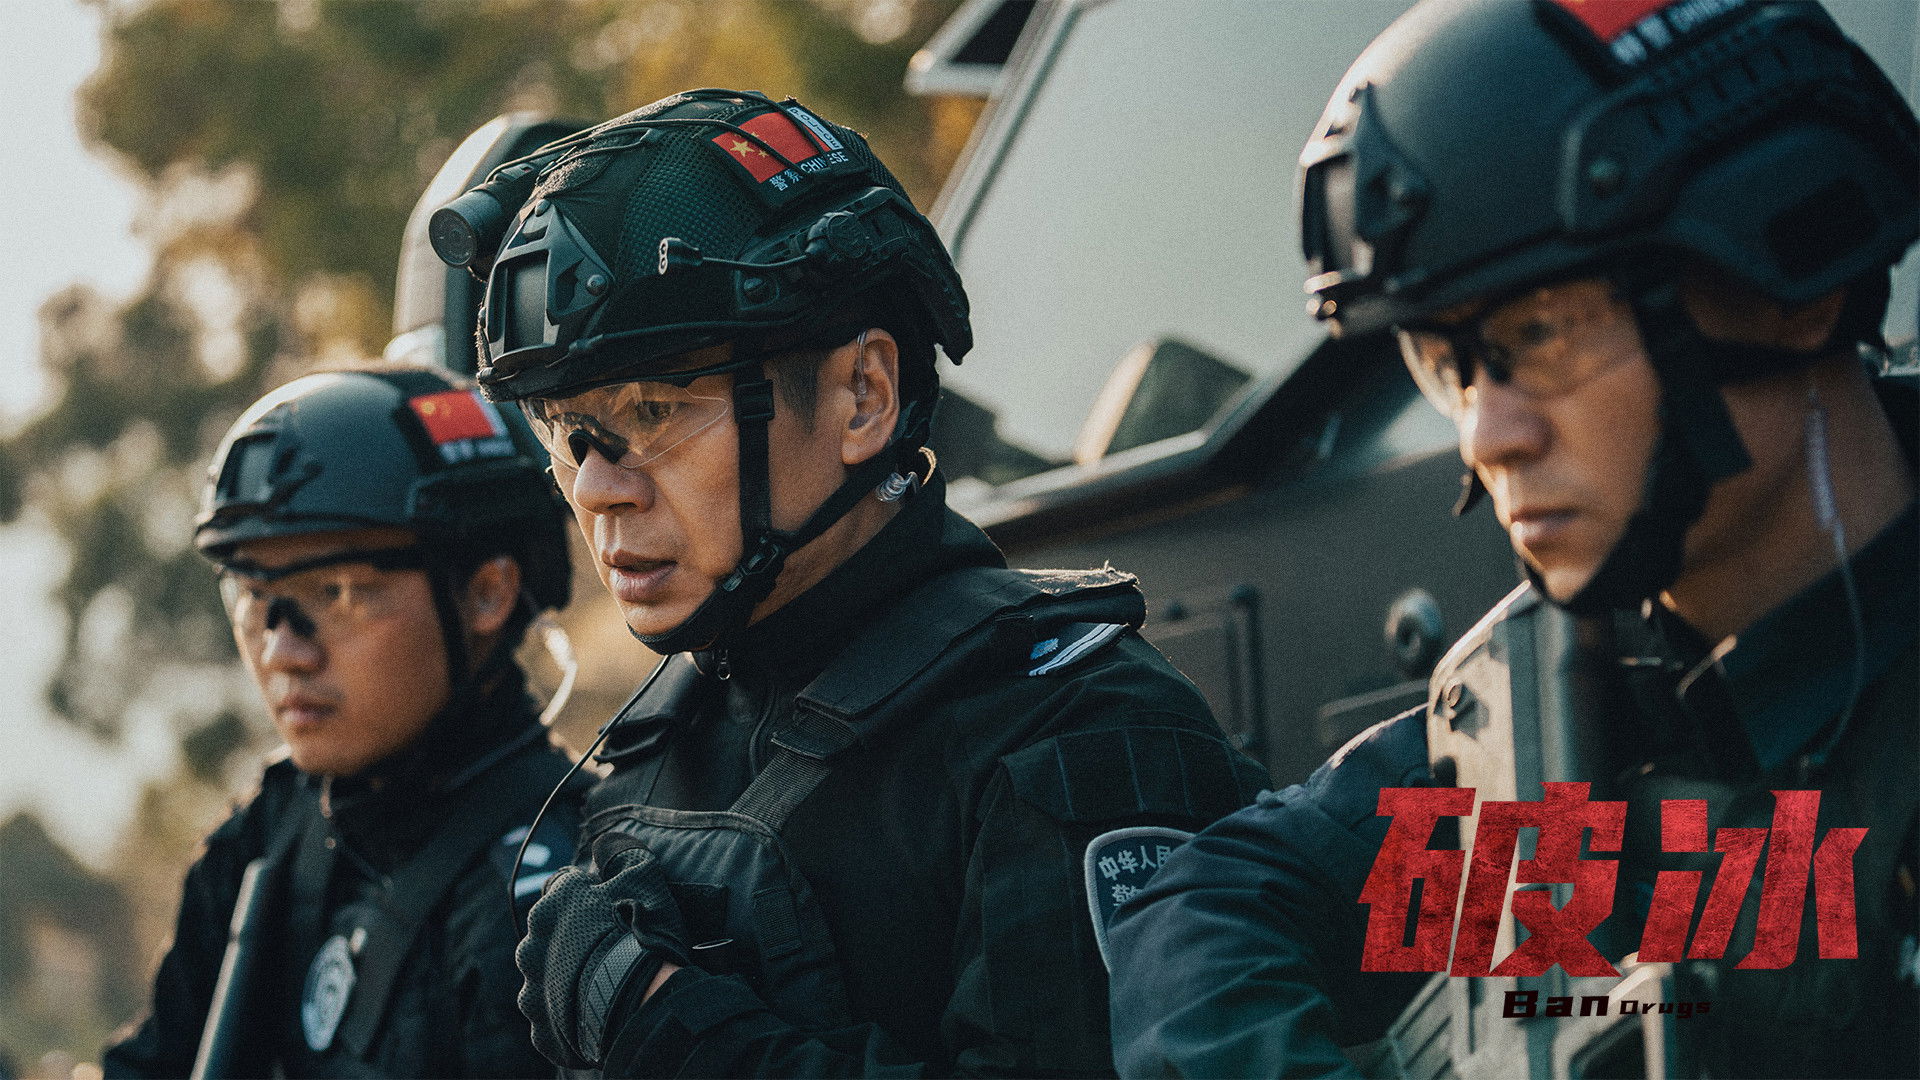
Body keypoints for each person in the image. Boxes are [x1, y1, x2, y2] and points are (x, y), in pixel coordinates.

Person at [1108, 1, 1917, 1077]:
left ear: (1796, 287)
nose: (1486, 435)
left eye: (1542, 333)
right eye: (1447, 365)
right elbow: (1209, 909)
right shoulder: (1565, 712)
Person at [439, 88, 1269, 1076]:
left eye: (652, 411)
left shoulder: (1075, 730)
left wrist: (684, 1040)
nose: (596, 488)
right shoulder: (668, 734)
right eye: (567, 432)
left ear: (863, 397)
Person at [105, 364, 585, 1078]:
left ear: (487, 593)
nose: (282, 651)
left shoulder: (554, 899)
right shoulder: (272, 832)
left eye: (337, 592)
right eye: (253, 595)